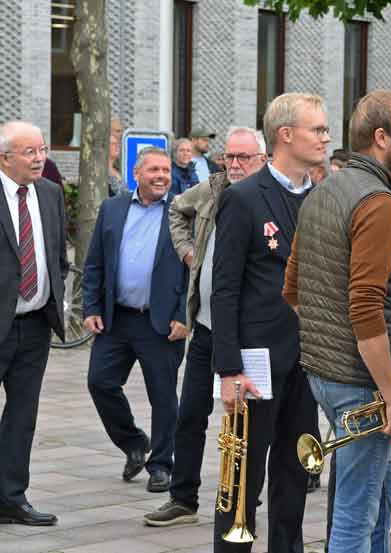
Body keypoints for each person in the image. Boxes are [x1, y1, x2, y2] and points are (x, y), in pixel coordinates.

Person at [283, 90, 391, 553]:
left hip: (325, 373)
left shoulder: (324, 190)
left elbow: (294, 289)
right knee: (356, 514)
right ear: (381, 138)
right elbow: (365, 304)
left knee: (379, 499)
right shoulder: (378, 201)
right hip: (361, 381)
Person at [211, 93, 326, 553]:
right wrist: (228, 370)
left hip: (308, 360)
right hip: (256, 363)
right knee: (242, 478)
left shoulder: (321, 197)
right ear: (285, 135)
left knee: (295, 472)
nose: (324, 137)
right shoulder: (243, 198)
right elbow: (225, 289)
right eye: (316, 129)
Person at [142, 127, 267, 527]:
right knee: (191, 413)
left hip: (250, 333)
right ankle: (183, 498)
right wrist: (187, 252)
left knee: (250, 421)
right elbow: (176, 209)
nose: (234, 165)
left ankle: (245, 500)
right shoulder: (212, 188)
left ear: (262, 160)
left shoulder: (268, 195)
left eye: (243, 158)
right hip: (206, 325)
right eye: (229, 157)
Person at [82, 147, 188, 493]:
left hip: (161, 323)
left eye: (166, 171)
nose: (161, 176)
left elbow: (196, 268)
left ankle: (161, 465)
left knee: (163, 396)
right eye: (154, 170)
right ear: (137, 174)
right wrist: (91, 307)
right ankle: (133, 442)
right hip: (117, 319)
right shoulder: (113, 208)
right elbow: (95, 260)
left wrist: (184, 315)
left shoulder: (182, 210)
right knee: (100, 382)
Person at [0, 121, 68, 526]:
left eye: (42, 149)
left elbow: (56, 253)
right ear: (4, 157)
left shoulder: (50, 193)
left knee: (22, 416)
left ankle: (11, 498)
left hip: (35, 325)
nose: (39, 158)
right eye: (29, 152)